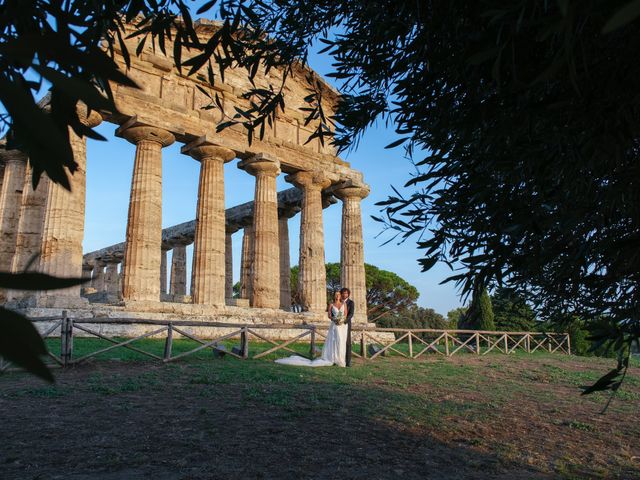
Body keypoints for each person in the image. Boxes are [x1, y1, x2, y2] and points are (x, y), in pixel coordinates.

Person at [274, 291, 349, 367]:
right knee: (334, 341)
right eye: (336, 295)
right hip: (335, 325)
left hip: (342, 326)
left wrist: (342, 320)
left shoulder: (344, 304)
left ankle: (340, 359)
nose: (337, 296)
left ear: (340, 296)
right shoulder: (331, 304)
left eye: (338, 295)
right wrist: (334, 319)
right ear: (334, 296)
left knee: (341, 341)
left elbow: (345, 314)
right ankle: (333, 358)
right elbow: (329, 315)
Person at [340, 287, 355, 367]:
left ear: (348, 294)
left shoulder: (351, 302)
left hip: (346, 324)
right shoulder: (338, 302)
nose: (344, 294)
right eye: (343, 293)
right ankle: (339, 359)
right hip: (338, 325)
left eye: (346, 293)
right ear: (341, 294)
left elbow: (351, 314)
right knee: (339, 342)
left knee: (347, 343)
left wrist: (344, 321)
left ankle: (348, 361)